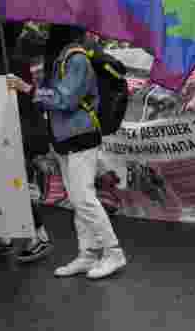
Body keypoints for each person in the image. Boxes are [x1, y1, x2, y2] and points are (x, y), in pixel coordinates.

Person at [11, 25, 127, 279]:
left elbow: (65, 100)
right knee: (77, 200)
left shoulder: (76, 59)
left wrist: (29, 89)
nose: (45, 36)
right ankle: (87, 254)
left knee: (84, 199)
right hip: (66, 138)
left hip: (80, 137)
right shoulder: (61, 59)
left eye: (51, 30)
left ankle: (113, 252)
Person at [0, 18, 54, 264]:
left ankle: (39, 236)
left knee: (19, 186)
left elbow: (30, 98)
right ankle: (3, 237)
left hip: (20, 132)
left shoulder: (16, 60)